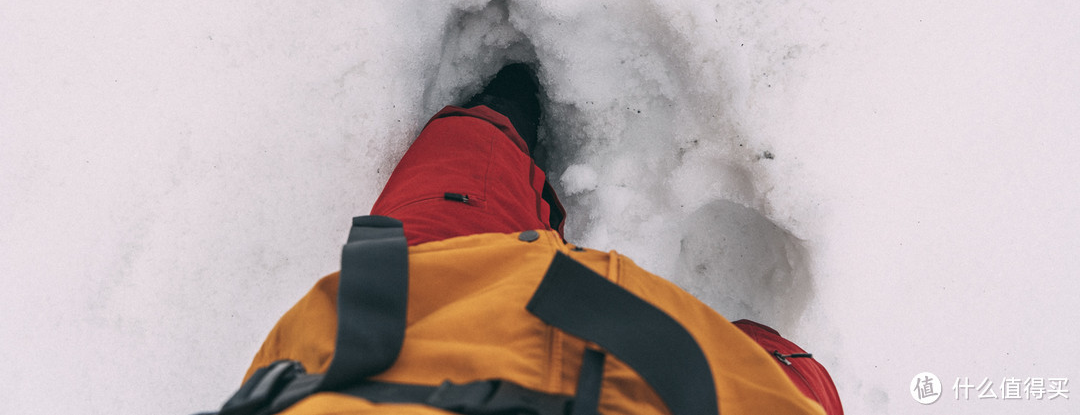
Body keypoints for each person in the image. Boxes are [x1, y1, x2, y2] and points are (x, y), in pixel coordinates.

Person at [200, 63, 842, 415]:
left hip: (422, 319)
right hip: (669, 381)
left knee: (466, 155)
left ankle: (505, 113)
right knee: (791, 380)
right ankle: (763, 345)